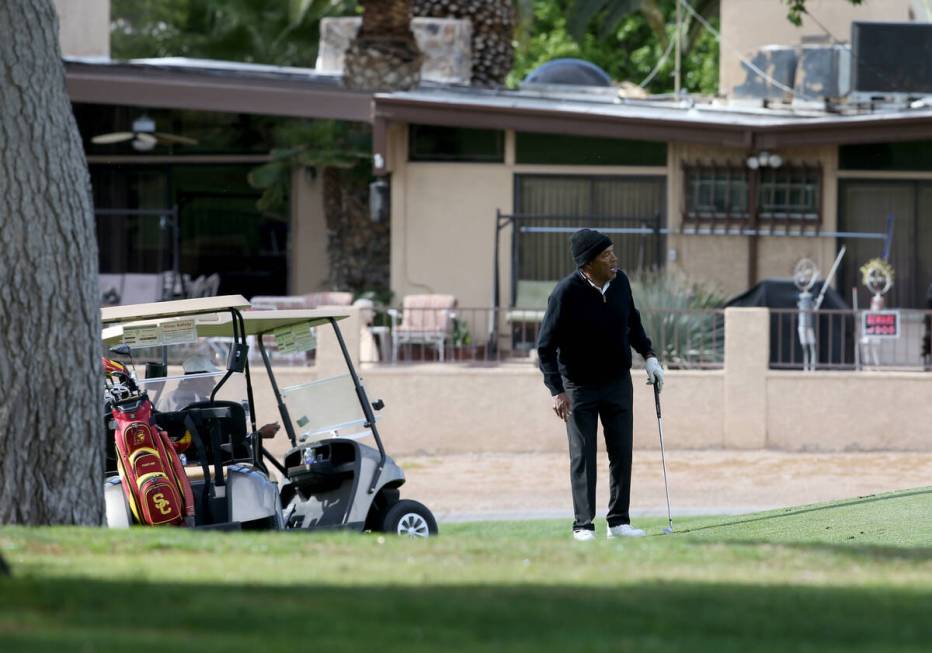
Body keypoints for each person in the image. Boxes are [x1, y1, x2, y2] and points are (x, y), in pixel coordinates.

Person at [537, 228, 664, 542]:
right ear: (588, 263)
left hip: (618, 383)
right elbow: (545, 347)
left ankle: (618, 522)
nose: (614, 258)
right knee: (583, 456)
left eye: (612, 252)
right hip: (579, 387)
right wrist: (556, 390)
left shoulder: (620, 283)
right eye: (607, 254)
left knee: (621, 452)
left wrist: (649, 356)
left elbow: (632, 322)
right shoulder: (565, 293)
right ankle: (583, 525)